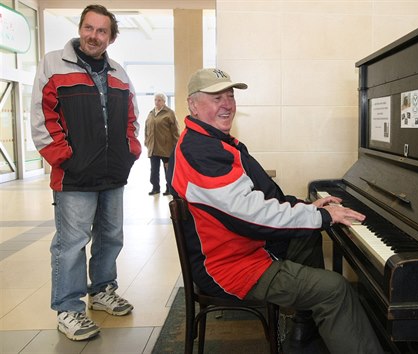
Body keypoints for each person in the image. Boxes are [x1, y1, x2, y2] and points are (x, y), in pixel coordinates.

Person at [167, 68, 384, 354]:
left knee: (307, 236)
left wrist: (305, 208)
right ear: (193, 105)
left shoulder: (211, 142)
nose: (227, 104)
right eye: (216, 97)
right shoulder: (200, 151)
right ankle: (322, 318)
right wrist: (321, 216)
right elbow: (249, 215)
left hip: (240, 249)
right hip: (231, 267)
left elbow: (258, 197)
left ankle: (304, 334)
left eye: (230, 96)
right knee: (335, 289)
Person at [30, 4, 140, 341]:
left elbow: (132, 116)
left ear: (111, 36)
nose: (94, 35)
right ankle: (68, 308)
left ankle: (103, 290)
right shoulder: (53, 63)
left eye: (102, 31)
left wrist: (130, 151)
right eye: (89, 28)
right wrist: (63, 157)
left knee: (111, 237)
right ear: (80, 28)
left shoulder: (119, 72)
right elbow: (40, 115)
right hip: (74, 175)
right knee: (71, 243)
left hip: (112, 172)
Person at [144, 92, 179, 195]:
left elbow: (175, 130)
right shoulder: (151, 113)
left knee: (167, 169)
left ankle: (169, 188)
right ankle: (155, 188)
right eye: (155, 100)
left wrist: (176, 144)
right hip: (153, 146)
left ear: (164, 101)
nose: (157, 102)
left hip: (166, 147)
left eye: (159, 100)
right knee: (154, 170)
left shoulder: (169, 113)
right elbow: (146, 129)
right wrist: (146, 141)